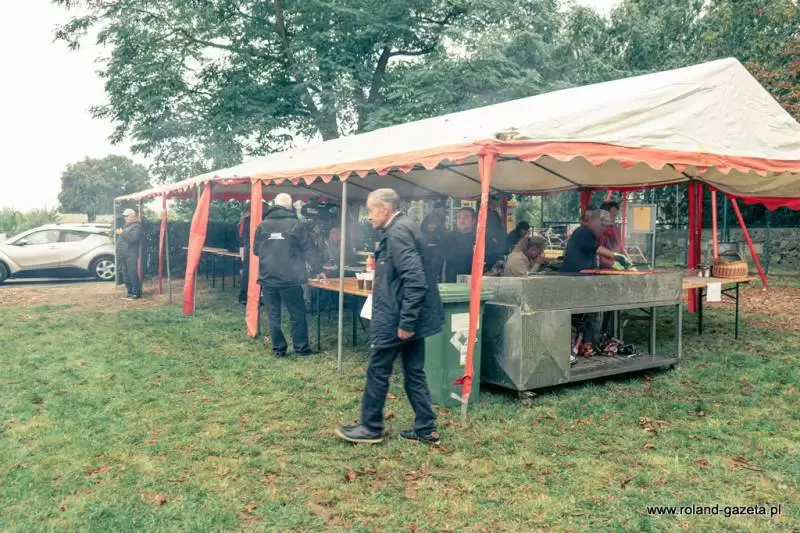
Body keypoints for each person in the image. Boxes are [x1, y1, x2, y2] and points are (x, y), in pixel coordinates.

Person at [335, 188, 443, 445]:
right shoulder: (405, 227)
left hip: (397, 317)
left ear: (384, 209)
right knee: (414, 372)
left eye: (371, 210)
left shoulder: (398, 233)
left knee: (377, 370)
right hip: (409, 314)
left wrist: (406, 322)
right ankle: (426, 428)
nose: (369, 216)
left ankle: (370, 427)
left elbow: (415, 280)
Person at [253, 193, 324, 357]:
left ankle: (278, 349)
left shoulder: (262, 225)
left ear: (274, 204)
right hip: (290, 278)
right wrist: (318, 270)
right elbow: (309, 249)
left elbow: (256, 250)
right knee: (297, 313)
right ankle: (301, 348)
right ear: (290, 206)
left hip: (268, 277)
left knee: (273, 316)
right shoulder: (296, 224)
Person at [561, 210, 627, 355]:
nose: (603, 229)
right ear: (593, 221)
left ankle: (590, 344)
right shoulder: (582, 233)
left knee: (592, 314)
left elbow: (597, 255)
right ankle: (584, 345)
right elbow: (597, 249)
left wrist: (615, 264)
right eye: (602, 225)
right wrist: (616, 256)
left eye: (606, 226)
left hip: (583, 281)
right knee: (587, 315)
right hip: (573, 281)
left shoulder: (590, 235)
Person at [441, 207, 476, 282]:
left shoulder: (479, 238)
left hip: (473, 278)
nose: (462, 221)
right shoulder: (447, 237)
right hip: (452, 278)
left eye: (466, 217)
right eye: (459, 217)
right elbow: (440, 260)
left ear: (473, 221)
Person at [115, 208, 143, 301]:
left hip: (131, 254)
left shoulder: (137, 226)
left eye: (127, 216)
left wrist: (122, 233)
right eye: (124, 216)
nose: (125, 218)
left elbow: (133, 239)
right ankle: (130, 293)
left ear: (132, 216)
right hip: (123, 254)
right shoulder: (127, 226)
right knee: (125, 275)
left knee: (132, 273)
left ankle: (136, 293)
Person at [420, 200, 447, 281]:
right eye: (443, 210)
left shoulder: (438, 219)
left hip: (435, 250)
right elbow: (432, 235)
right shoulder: (431, 219)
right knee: (432, 272)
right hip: (431, 251)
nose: (445, 212)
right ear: (437, 209)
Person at [598, 201, 623, 269]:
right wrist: (614, 264)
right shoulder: (598, 230)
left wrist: (624, 258)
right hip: (604, 268)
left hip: (614, 264)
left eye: (615, 215)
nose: (615, 217)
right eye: (612, 214)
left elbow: (619, 246)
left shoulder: (614, 227)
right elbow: (599, 256)